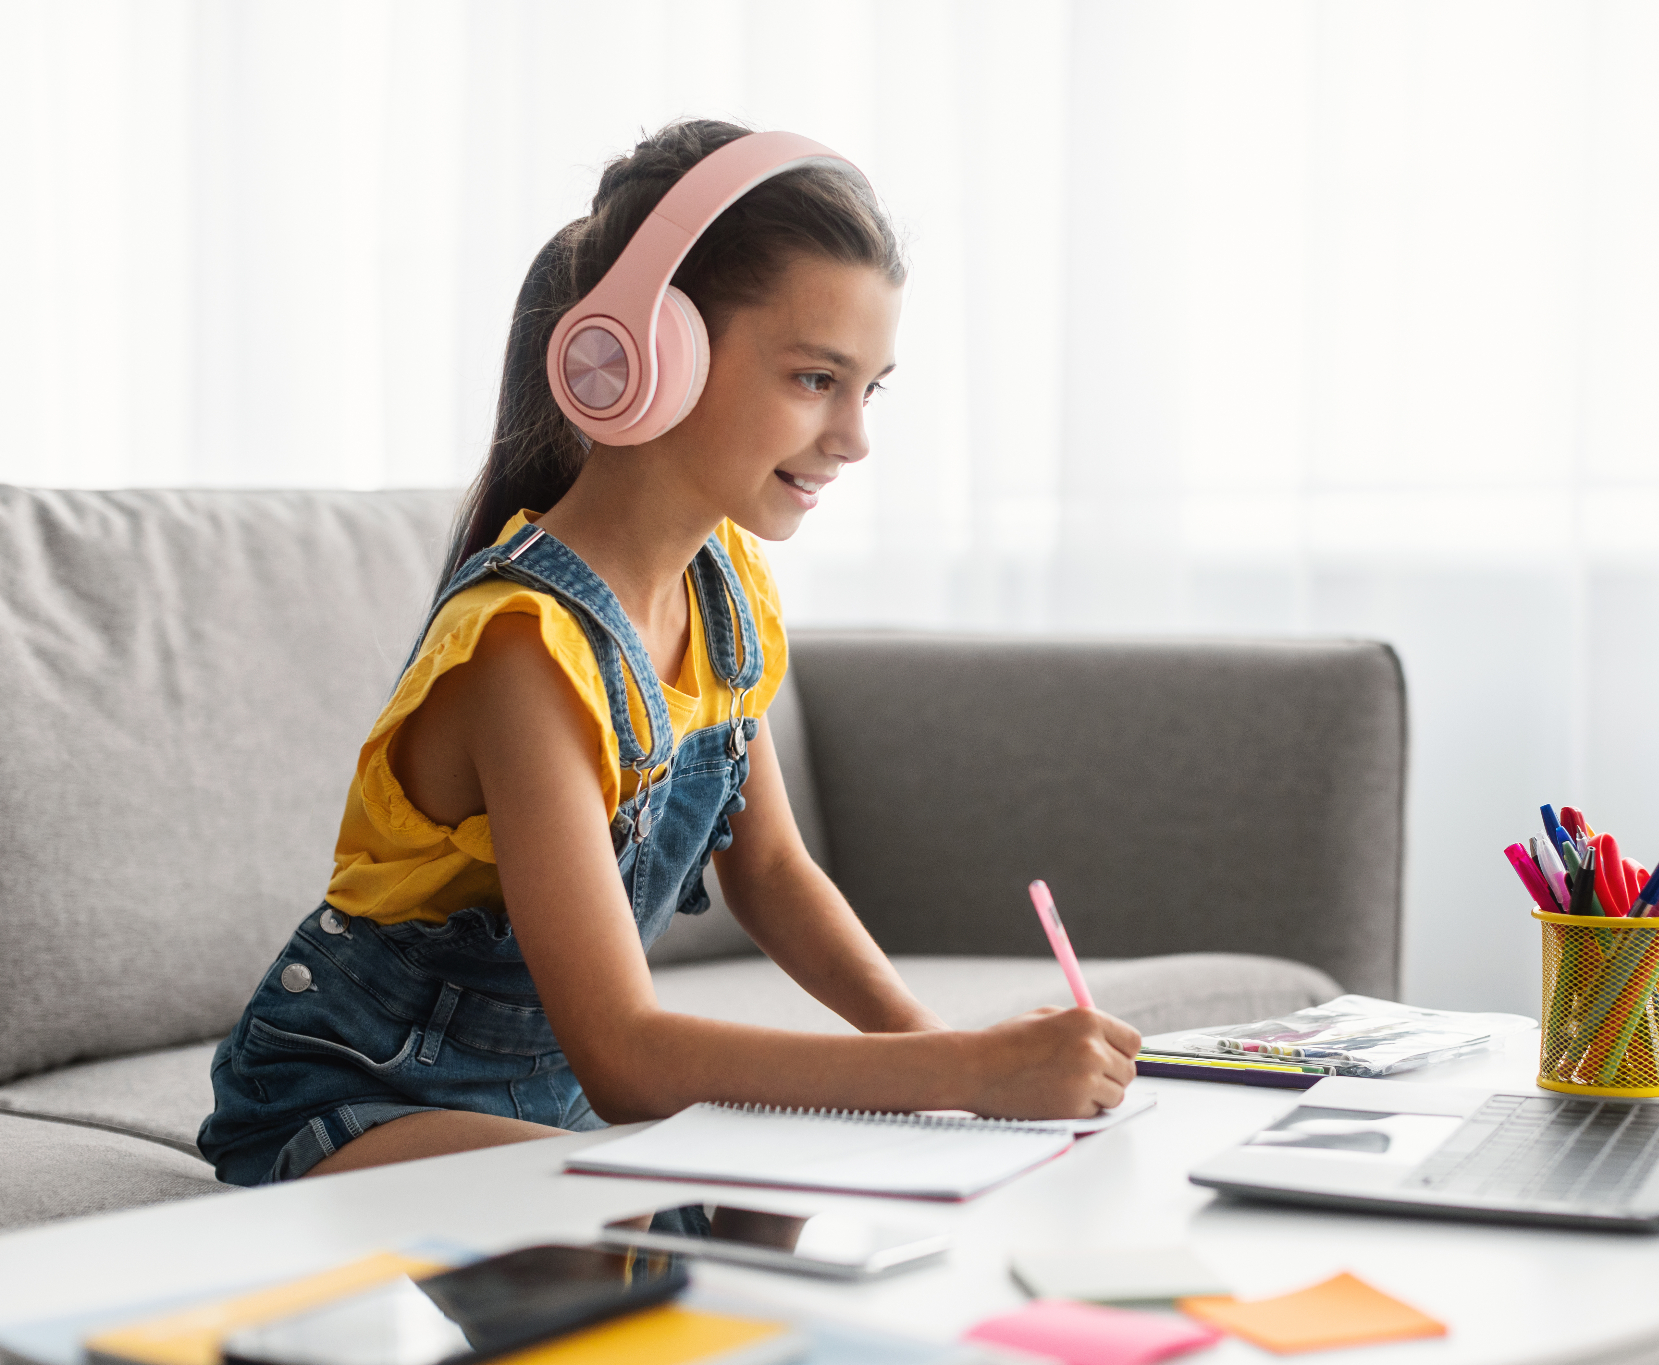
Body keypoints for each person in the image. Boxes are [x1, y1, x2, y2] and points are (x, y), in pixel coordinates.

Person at [198, 119, 1139, 1188]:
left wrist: (952, 1068)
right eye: (813, 379)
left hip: (537, 1101)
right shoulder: (524, 650)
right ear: (647, 357)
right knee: (673, 1237)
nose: (854, 437)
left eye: (868, 388)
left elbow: (773, 871)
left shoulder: (725, 587)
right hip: (355, 1104)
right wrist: (961, 1069)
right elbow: (625, 1055)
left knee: (803, 1215)